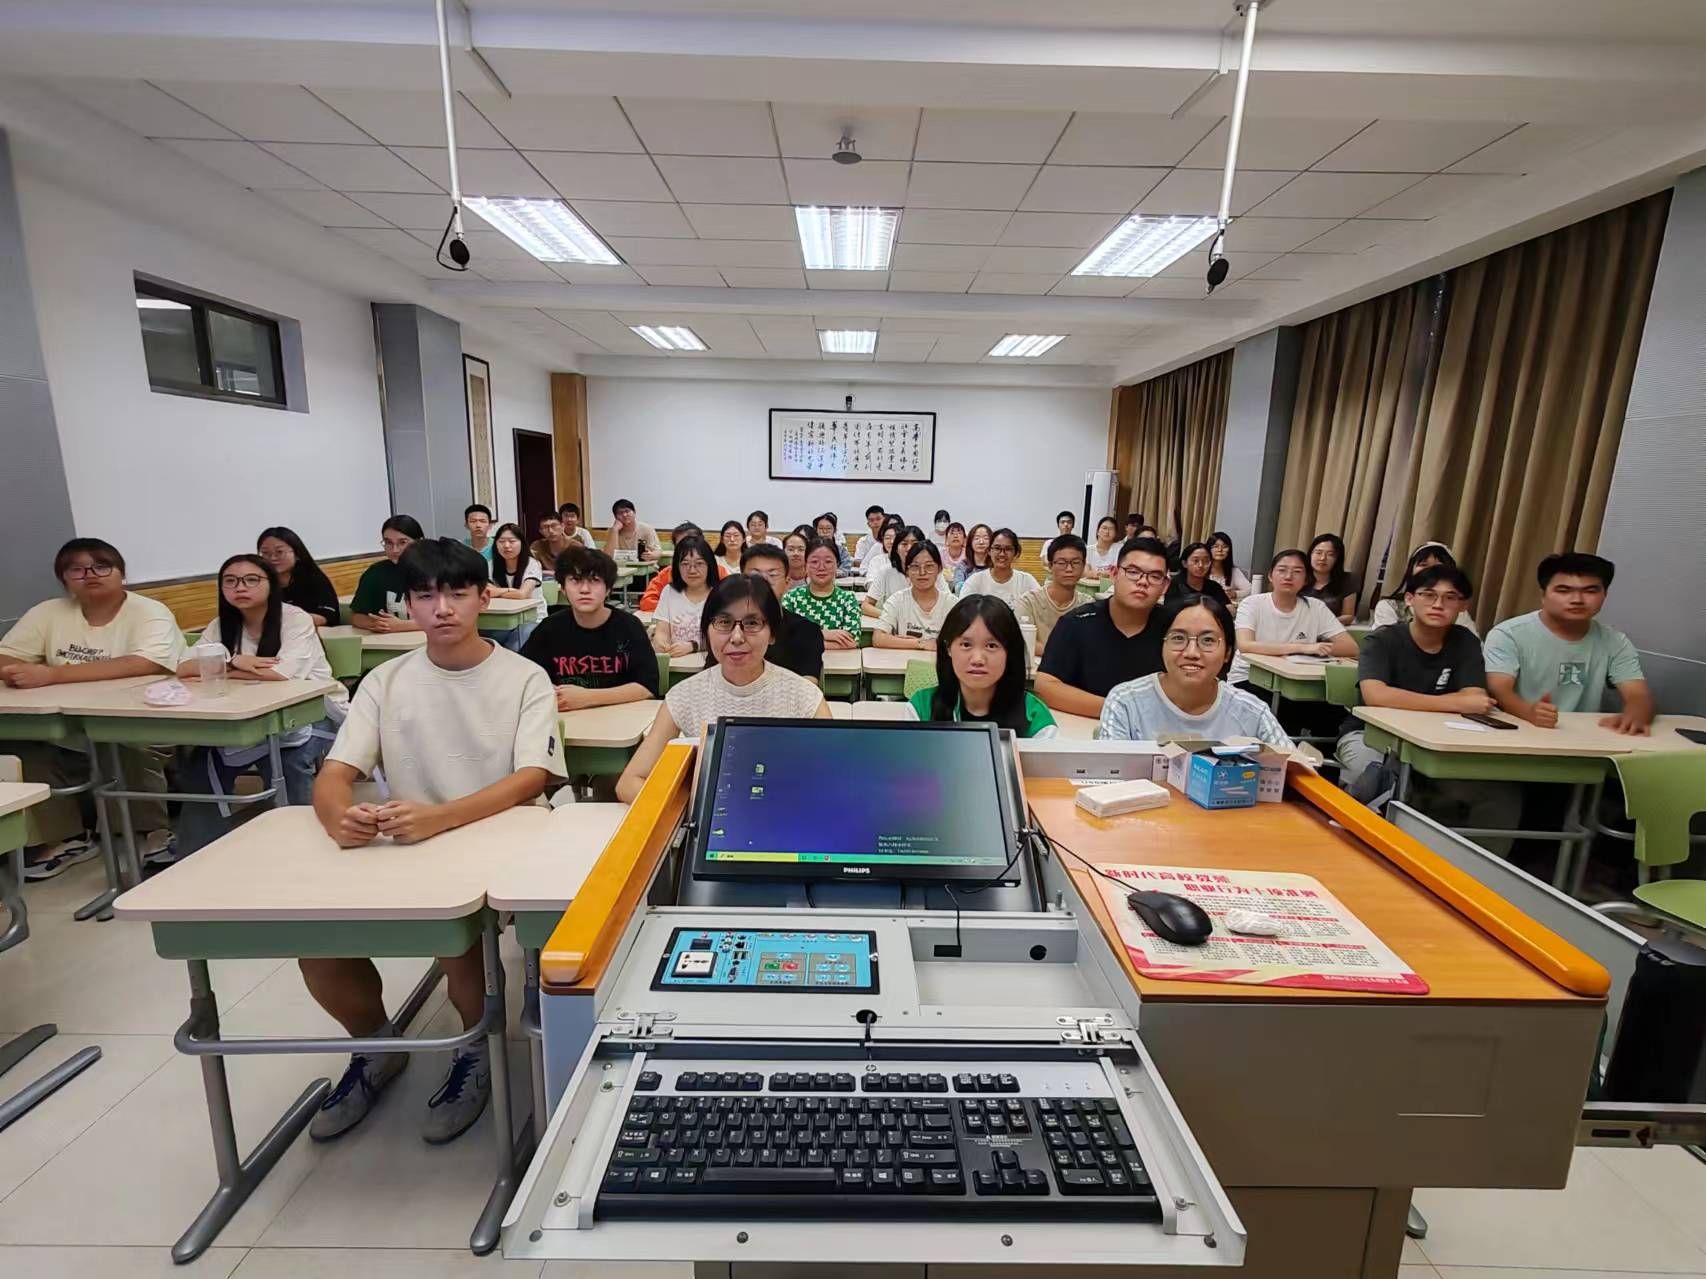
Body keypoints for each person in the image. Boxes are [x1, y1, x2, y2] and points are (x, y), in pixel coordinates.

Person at [304, 538, 565, 1144]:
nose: (442, 608)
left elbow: (533, 777)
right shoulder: (385, 680)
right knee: (316, 941)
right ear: (409, 604)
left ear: (483, 598)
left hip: (501, 835)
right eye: (425, 596)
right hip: (411, 839)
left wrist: (442, 817)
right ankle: (376, 1047)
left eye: (456, 594)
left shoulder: (523, 676)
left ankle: (474, 1047)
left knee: (459, 943)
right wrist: (338, 816)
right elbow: (336, 773)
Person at [0, 538, 185, 877]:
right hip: (67, 718)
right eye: (77, 569)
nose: (90, 575)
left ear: (121, 574)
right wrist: (18, 673)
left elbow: (144, 662)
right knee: (22, 746)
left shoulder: (149, 611)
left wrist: (51, 675)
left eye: (101, 566)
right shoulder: (48, 612)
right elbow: (6, 655)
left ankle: (154, 833)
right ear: (64, 579)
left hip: (142, 718)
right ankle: (66, 839)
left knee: (121, 742)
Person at [173, 555, 347, 858]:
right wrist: (236, 662)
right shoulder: (220, 626)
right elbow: (184, 668)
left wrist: (221, 668)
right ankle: (198, 855)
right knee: (201, 762)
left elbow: (280, 674)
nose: (240, 587)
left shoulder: (295, 619)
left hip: (312, 711)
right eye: (231, 581)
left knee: (289, 760)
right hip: (248, 715)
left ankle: (307, 849)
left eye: (251, 580)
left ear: (271, 584)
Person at [1334, 565, 1516, 834]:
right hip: (1372, 737)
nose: (1438, 604)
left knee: (1500, 794)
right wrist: (1456, 702)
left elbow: (1476, 698)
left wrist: (1411, 700)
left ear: (1463, 606)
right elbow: (1376, 696)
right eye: (1428, 595)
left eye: (1450, 597)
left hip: (1442, 743)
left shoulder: (1465, 641)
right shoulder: (1382, 640)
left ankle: (1466, 860)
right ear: (1410, 599)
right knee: (1376, 776)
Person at [617, 575, 830, 803]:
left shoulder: (804, 697)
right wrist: (693, 810)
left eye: (752, 623)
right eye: (723, 622)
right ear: (707, 630)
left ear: (772, 634)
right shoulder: (685, 695)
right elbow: (629, 782)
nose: (736, 637)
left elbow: (835, 778)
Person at [1484, 552, 1652, 735]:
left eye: (1590, 591)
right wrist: (1529, 712)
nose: (1577, 600)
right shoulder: (1508, 634)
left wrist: (1637, 713)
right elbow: (1499, 690)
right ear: (1543, 595)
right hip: (1518, 730)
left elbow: (1638, 694)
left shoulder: (1615, 641)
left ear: (1605, 595)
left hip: (1583, 735)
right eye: (1563, 591)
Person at [1100, 596, 1291, 748]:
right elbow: (1108, 774)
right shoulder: (1126, 702)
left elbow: (1297, 770)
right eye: (1178, 638)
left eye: (1207, 641)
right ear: (1162, 645)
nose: (1191, 653)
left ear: (1227, 653)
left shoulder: (1252, 711)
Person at [1035, 536, 1170, 718]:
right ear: (1114, 574)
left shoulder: (1175, 629)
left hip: (1156, 730)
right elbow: (1045, 686)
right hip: (1086, 727)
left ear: (1165, 585)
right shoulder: (1077, 622)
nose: (1142, 581)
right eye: (1133, 572)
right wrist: (1119, 710)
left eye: (1155, 576)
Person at [521, 546, 658, 711]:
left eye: (594, 580)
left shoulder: (629, 626)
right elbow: (524, 677)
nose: (585, 590)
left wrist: (588, 697)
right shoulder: (548, 629)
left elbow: (647, 687)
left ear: (608, 589)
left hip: (620, 716)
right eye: (575, 580)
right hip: (567, 717)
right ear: (563, 588)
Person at [909, 596, 1056, 738]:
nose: (977, 659)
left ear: (1010, 651)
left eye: (991, 646)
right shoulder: (921, 707)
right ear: (948, 648)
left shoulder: (1035, 716)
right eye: (966, 644)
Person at [1228, 548, 1359, 687]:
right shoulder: (1252, 603)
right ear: (1270, 576)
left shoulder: (1316, 607)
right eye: (1282, 570)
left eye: (1297, 571)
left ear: (1306, 579)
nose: (1288, 576)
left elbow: (1351, 648)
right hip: (1249, 677)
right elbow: (1245, 645)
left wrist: (1318, 649)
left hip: (1296, 680)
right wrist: (1303, 648)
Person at [742, 543, 824, 679]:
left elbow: (808, 685)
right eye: (755, 575)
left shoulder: (807, 631)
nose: (763, 581)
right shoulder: (727, 630)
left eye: (772, 574)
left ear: (787, 583)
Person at [1371, 543, 1478, 634]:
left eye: (1438, 566)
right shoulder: (1389, 606)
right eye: (1423, 564)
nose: (1430, 571)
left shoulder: (1456, 610)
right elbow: (1382, 644)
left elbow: (1473, 646)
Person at [783, 537, 863, 649]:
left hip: (839, 659)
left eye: (828, 562)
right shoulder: (792, 598)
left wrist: (804, 639)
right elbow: (783, 638)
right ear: (805, 565)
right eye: (814, 562)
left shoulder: (847, 599)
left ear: (837, 565)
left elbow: (852, 641)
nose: (821, 567)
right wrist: (822, 633)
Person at [874, 541, 956, 650]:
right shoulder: (897, 600)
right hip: (905, 660)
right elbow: (878, 638)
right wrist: (921, 644)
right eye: (915, 567)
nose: (922, 572)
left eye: (929, 566)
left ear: (939, 569)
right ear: (907, 571)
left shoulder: (953, 604)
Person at [349, 515, 424, 633]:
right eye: (388, 542)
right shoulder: (375, 573)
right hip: (390, 640)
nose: (395, 550)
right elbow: (356, 617)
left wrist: (401, 626)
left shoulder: (436, 570)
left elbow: (451, 619)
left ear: (419, 542)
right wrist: (374, 623)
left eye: (402, 542)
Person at [1016, 534, 1085, 656]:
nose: (1069, 569)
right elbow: (1023, 640)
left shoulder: (1087, 606)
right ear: (1050, 566)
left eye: (1076, 562)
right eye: (1062, 563)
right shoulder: (1029, 602)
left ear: (1084, 565)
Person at [651, 534, 720, 657]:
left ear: (709, 565)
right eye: (685, 564)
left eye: (699, 563)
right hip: (676, 661)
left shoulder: (719, 594)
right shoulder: (669, 592)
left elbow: (722, 637)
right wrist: (660, 642)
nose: (692, 570)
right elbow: (662, 631)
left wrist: (693, 646)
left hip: (708, 662)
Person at [257, 526, 339, 628]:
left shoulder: (313, 577)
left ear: (296, 554)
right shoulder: (259, 580)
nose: (272, 558)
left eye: (279, 552)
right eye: (265, 553)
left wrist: (283, 620)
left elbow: (326, 616)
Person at [488, 522, 544, 650]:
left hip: (532, 619)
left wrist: (497, 591)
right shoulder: (490, 565)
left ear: (521, 543)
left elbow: (522, 594)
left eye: (512, 541)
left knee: (515, 647)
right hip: (503, 619)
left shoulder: (532, 564)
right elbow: (487, 592)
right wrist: (509, 590)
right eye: (501, 541)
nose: (506, 546)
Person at [961, 528, 1040, 607]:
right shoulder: (975, 581)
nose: (1002, 554)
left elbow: (1040, 607)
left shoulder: (1026, 581)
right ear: (989, 551)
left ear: (1016, 553)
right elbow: (962, 610)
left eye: (1008, 549)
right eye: (997, 548)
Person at [637, 522, 705, 612]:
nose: (686, 549)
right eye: (680, 546)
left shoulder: (718, 571)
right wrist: (680, 607)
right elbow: (647, 602)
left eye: (691, 543)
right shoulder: (667, 573)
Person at [1303, 532, 1358, 624]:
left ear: (1337, 559)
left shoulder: (1347, 580)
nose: (1322, 558)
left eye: (1330, 554)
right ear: (1310, 554)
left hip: (1330, 628)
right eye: (1318, 553)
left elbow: (1348, 616)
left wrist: (1322, 623)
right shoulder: (1299, 576)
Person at [1165, 541, 1230, 608]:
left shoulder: (1214, 587)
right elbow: (1170, 609)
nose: (1201, 565)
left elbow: (1228, 608)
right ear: (1184, 563)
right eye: (1196, 561)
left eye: (1205, 561)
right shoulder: (1175, 585)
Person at [605, 498, 660, 562]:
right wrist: (615, 530)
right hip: (622, 566)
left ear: (634, 512)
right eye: (620, 513)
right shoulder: (614, 531)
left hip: (644, 566)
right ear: (615, 517)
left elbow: (658, 552)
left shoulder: (647, 529)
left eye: (627, 511)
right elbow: (608, 557)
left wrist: (652, 555)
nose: (624, 515)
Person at [1205, 531, 1252, 604]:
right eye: (1215, 546)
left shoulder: (1234, 571)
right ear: (1208, 549)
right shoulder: (1201, 569)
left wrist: (1235, 594)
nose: (1220, 550)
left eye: (1225, 547)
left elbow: (1250, 589)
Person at [940, 521, 969, 587]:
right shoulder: (940, 554)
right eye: (952, 533)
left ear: (964, 539)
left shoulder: (968, 554)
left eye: (959, 533)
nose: (955, 536)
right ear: (946, 539)